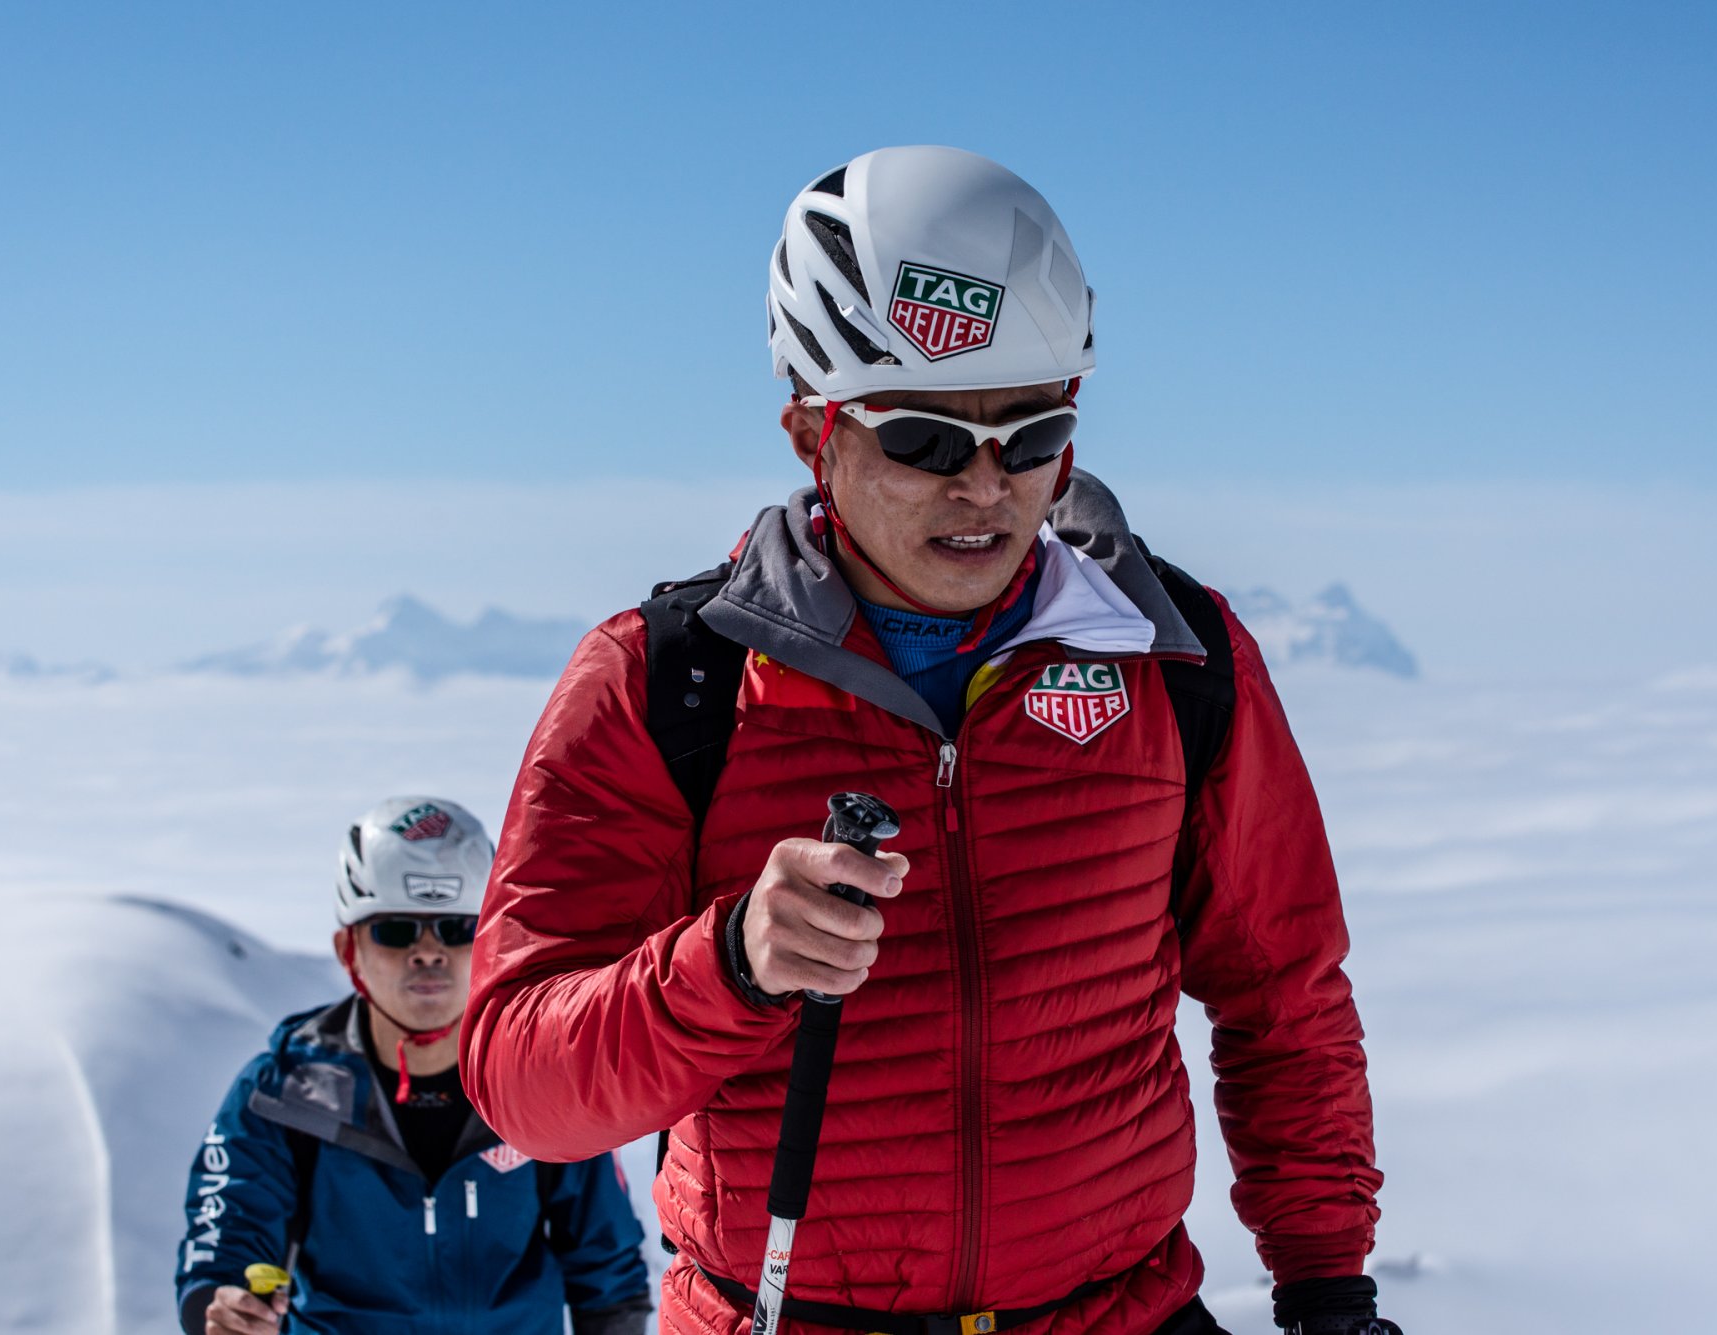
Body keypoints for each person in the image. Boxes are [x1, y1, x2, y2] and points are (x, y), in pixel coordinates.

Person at [461, 147, 1400, 1335]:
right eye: (923, 440)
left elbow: (1284, 996)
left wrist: (1324, 1284)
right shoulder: (667, 683)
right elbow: (522, 1087)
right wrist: (731, 964)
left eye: (1032, 432)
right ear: (812, 432)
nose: (985, 487)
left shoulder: (1175, 656)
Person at [175, 796, 653, 1335]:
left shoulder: (540, 1080)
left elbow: (609, 1275)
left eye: (455, 928)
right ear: (348, 947)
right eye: (396, 930)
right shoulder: (284, 1092)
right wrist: (226, 1305)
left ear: (491, 943)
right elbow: (226, 1237)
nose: (428, 952)